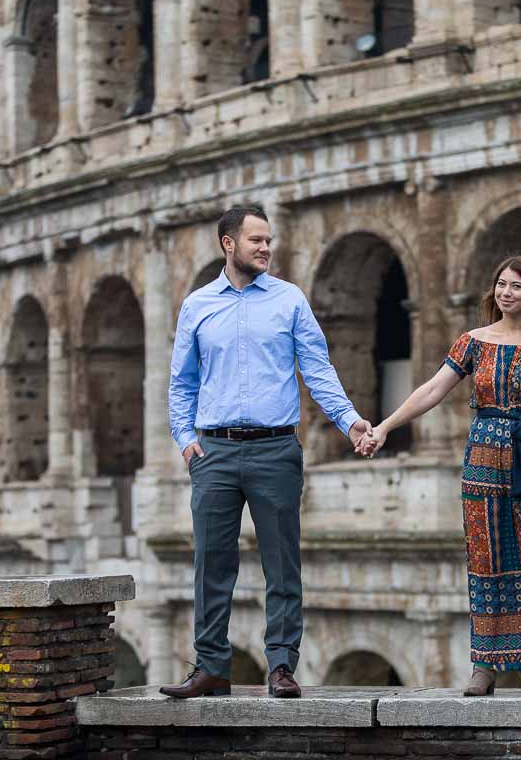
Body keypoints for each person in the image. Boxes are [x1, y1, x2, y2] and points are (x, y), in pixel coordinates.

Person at [162, 205, 371, 700]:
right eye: (256, 240)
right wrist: (186, 441)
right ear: (227, 244)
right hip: (213, 451)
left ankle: (281, 667)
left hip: (276, 449)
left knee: (282, 562)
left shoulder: (290, 300)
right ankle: (210, 667)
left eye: (269, 240)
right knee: (212, 563)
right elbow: (181, 382)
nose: (266, 247)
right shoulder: (197, 305)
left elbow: (317, 370)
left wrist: (350, 421)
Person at [359, 255, 521, 697]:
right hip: (482, 460)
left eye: (517, 286)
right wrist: (384, 426)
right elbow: (432, 390)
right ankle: (485, 664)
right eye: (501, 284)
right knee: (487, 556)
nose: (506, 292)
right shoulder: (472, 342)